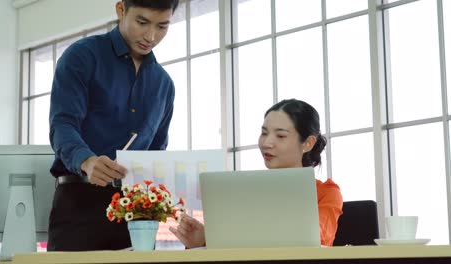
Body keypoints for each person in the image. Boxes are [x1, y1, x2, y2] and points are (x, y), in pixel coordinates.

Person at [47, 0, 179, 251]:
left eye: (162, 26)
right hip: (79, 206)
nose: (151, 36)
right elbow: (62, 124)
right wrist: (87, 161)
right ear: (120, 10)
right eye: (142, 22)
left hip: (136, 215)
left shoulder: (164, 85)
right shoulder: (82, 57)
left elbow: (156, 153)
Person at [170, 98, 343, 247]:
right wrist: (203, 240)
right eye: (264, 133)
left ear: (307, 143)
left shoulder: (327, 192)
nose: (267, 143)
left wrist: (219, 236)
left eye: (280, 136)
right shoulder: (246, 191)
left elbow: (316, 238)